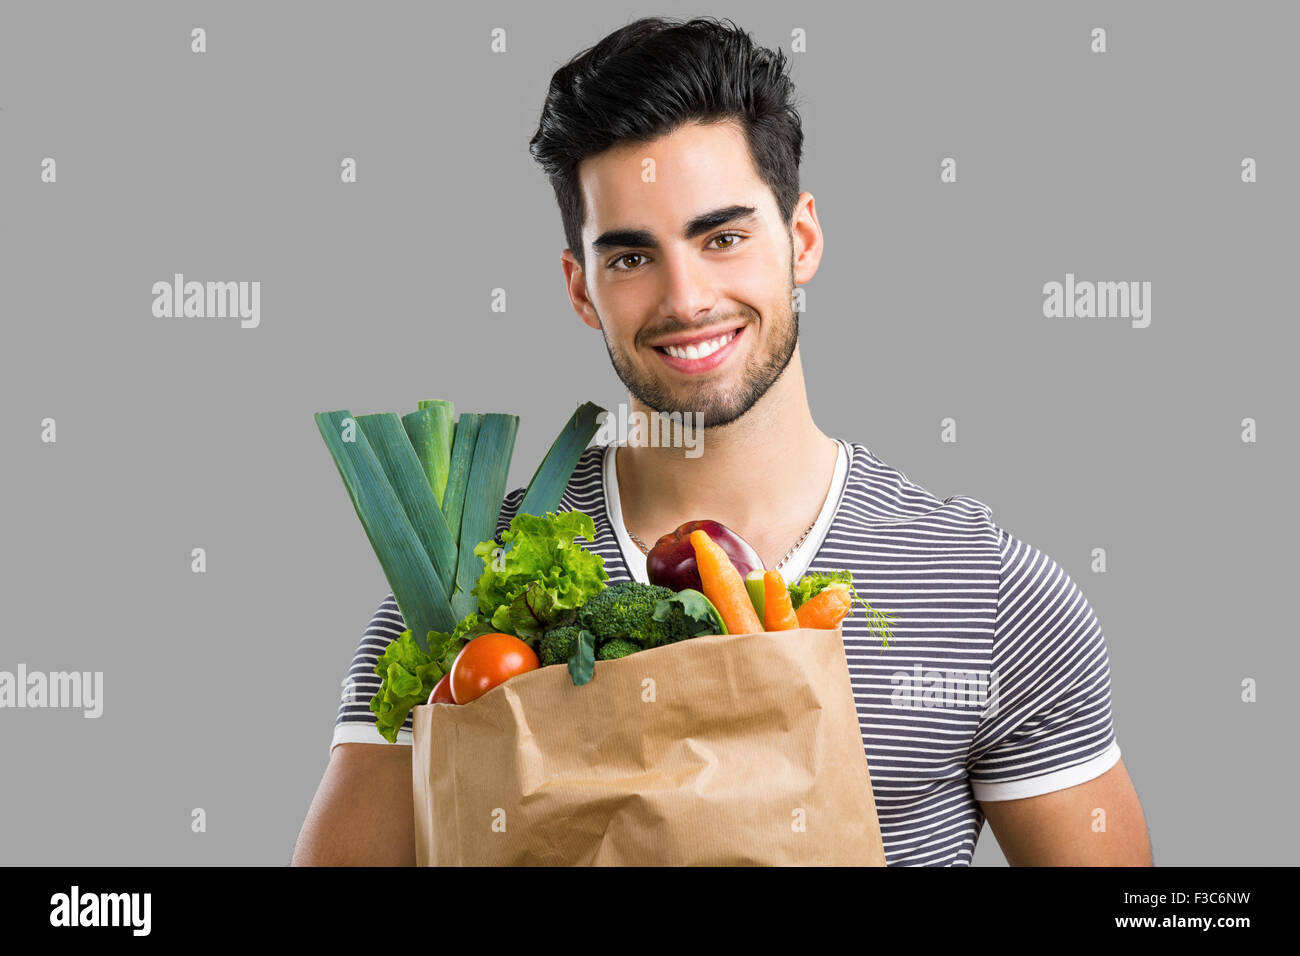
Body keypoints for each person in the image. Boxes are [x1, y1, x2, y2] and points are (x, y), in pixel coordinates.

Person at [292, 16, 1152, 866]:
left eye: (724, 237)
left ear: (801, 239)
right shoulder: (462, 600)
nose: (688, 296)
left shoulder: (985, 593)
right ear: (581, 289)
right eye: (631, 258)